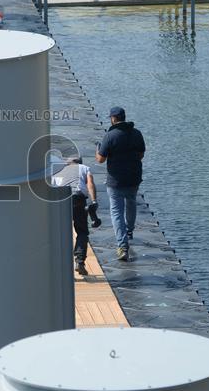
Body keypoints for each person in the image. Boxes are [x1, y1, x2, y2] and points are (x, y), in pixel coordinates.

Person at [95, 106, 145, 262]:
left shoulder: (110, 136)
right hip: (133, 178)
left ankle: (122, 246)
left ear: (113, 118)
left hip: (115, 180)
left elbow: (101, 159)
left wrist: (98, 150)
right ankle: (129, 231)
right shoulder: (137, 133)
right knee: (131, 203)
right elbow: (141, 154)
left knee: (116, 211)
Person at [52, 154, 98, 276]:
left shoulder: (57, 170)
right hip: (77, 199)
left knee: (60, 234)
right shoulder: (84, 168)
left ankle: (60, 266)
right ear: (79, 161)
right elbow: (90, 184)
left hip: (59, 200)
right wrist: (94, 201)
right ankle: (80, 261)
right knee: (82, 231)